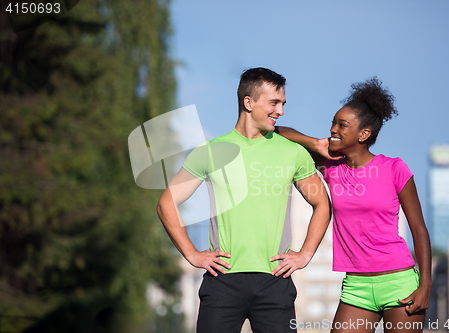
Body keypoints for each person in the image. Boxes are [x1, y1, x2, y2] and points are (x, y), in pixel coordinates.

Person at [156, 67, 331, 333]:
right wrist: (192, 254)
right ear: (248, 102)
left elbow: (322, 204)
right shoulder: (211, 152)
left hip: (275, 282)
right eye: (274, 103)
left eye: (283, 104)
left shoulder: (293, 153)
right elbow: (166, 202)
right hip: (222, 282)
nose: (280, 111)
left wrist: (305, 254)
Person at [275, 77, 432, 333]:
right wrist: (315, 143)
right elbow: (278, 132)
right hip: (356, 287)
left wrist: (426, 284)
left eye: (342, 125)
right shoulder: (331, 166)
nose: (333, 129)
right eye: (333, 123)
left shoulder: (394, 168)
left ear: (364, 134)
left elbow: (419, 229)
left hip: (400, 283)